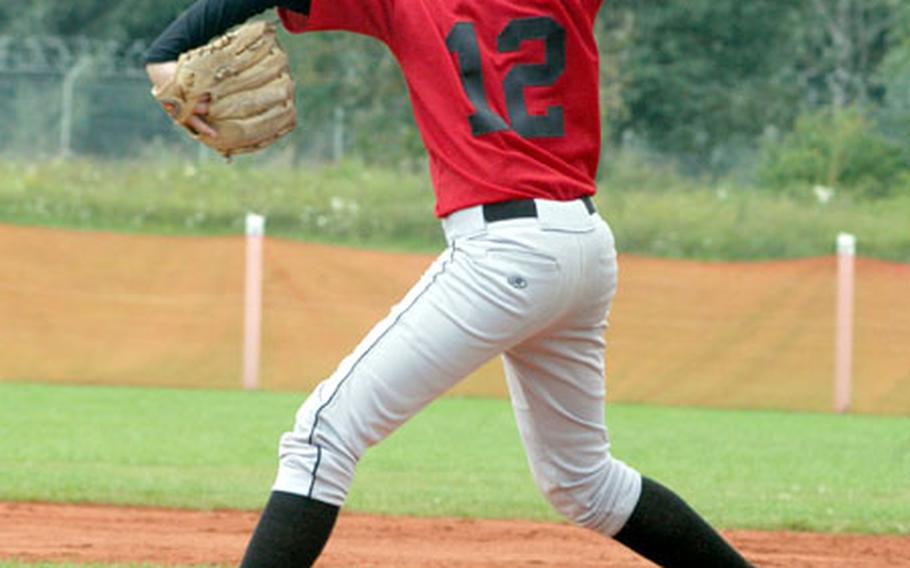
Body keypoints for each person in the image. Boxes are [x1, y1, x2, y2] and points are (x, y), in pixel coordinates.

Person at [146, 0, 753, 566]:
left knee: (319, 439)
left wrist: (163, 54)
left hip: (503, 252)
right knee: (584, 484)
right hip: (585, 246)